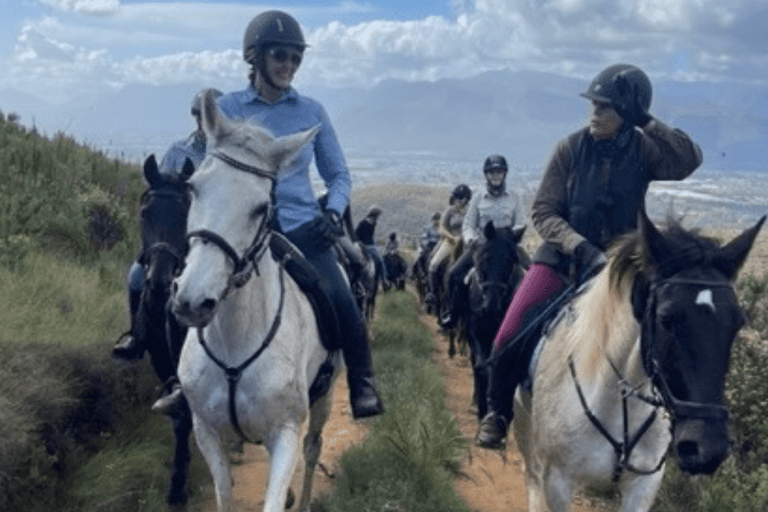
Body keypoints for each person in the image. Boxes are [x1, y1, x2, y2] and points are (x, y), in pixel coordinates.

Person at [475, 63, 703, 449]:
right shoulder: (569, 148)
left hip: (622, 270)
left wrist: (646, 121)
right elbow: (543, 212)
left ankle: (679, 420)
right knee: (509, 332)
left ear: (628, 114)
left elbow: (688, 160)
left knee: (671, 329)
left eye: (604, 107)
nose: (594, 114)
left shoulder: (645, 149)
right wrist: (580, 246)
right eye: (593, 105)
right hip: (561, 262)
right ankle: (497, 412)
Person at [215, 10, 383, 419]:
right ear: (254, 57)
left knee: (342, 299)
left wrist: (333, 209)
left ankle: (362, 383)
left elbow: (338, 173)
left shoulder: (313, 111)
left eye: (295, 58)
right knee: (194, 292)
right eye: (280, 56)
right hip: (243, 232)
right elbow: (214, 172)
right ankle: (184, 385)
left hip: (303, 230)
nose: (289, 66)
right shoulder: (228, 108)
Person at [112, 88, 222, 362]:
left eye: (213, 117)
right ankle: (136, 335)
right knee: (137, 276)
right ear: (196, 118)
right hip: (174, 232)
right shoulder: (178, 151)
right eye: (202, 117)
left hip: (211, 233)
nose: (206, 123)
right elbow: (160, 188)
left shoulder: (225, 156)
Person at [440, 155, 525, 329]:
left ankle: (530, 319)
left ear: (504, 174)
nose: (495, 175)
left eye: (499, 172)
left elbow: (520, 222)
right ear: (486, 175)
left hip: (507, 247)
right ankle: (454, 314)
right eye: (492, 172)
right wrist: (471, 239)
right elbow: (468, 225)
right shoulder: (478, 198)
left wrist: (511, 237)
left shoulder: (515, 197)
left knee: (532, 274)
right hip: (483, 246)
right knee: (454, 274)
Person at [424, 184, 472, 310]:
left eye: (461, 198)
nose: (458, 201)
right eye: (456, 198)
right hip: (450, 242)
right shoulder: (450, 211)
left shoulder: (472, 211)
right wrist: (451, 237)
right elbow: (442, 228)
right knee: (434, 264)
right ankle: (433, 293)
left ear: (467, 199)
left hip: (468, 244)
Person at [355, 206, 387, 287]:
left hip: (371, 245)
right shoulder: (363, 223)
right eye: (378, 216)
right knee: (380, 260)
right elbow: (357, 235)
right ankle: (384, 279)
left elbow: (371, 236)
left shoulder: (374, 224)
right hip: (365, 246)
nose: (378, 218)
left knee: (380, 258)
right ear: (374, 215)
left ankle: (382, 279)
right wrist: (360, 243)